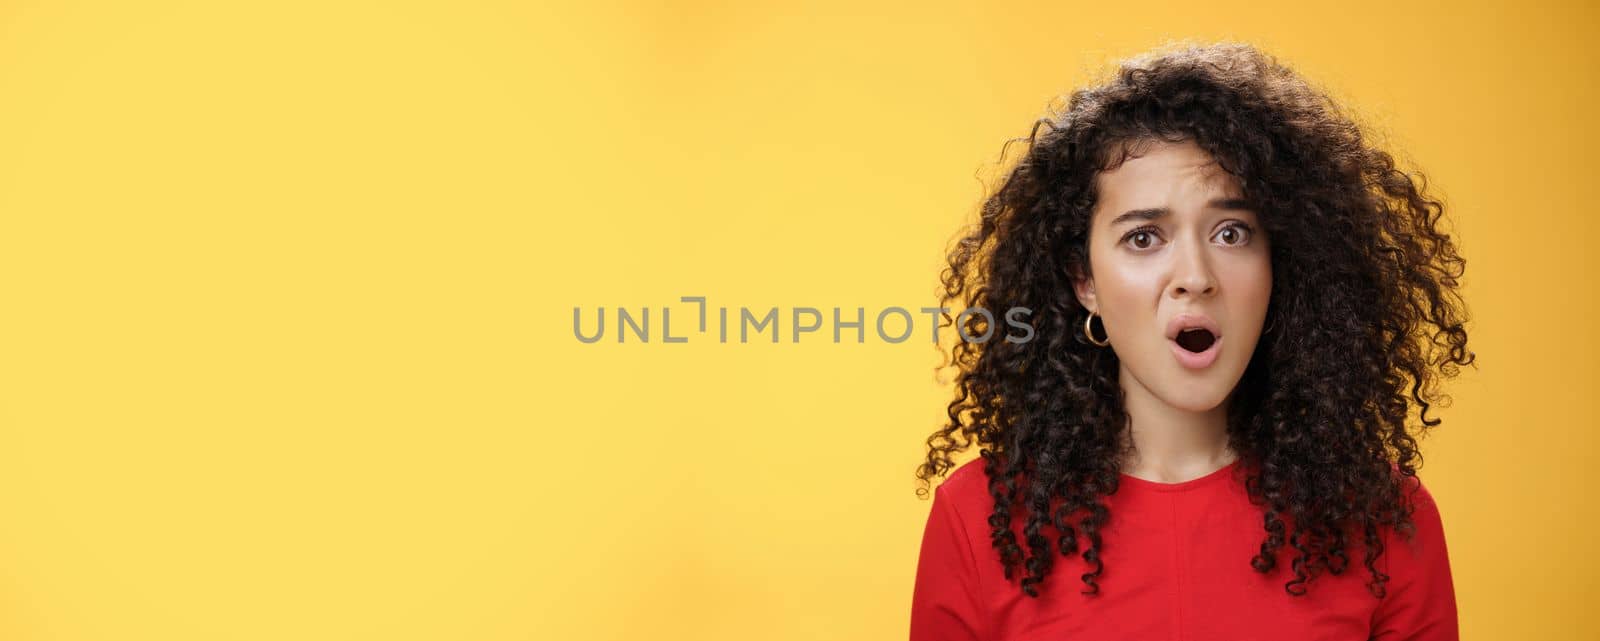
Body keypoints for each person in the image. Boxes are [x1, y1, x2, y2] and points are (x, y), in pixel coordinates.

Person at [909, 41, 1473, 641]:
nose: (1197, 277)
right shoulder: (978, 520)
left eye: (1231, 232)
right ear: (1085, 281)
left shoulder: (1383, 516)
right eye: (1145, 238)